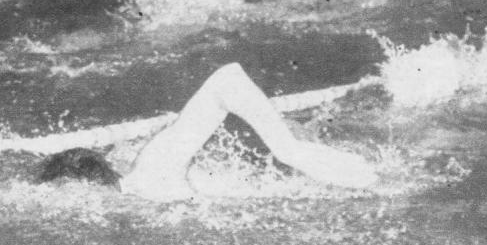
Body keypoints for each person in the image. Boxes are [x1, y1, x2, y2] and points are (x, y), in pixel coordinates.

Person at [37, 63, 377, 201]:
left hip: (304, 170)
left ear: (87, 185)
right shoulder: (138, 191)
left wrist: (286, 147)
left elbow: (227, 78)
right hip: (278, 185)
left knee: (293, 152)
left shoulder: (153, 168)